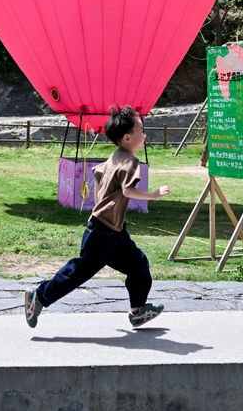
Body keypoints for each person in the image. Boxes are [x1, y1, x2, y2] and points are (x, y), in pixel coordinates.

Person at [24, 105, 170, 329]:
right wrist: (154, 194)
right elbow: (129, 190)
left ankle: (138, 310)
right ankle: (39, 296)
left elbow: (98, 173)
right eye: (141, 130)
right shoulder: (130, 162)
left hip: (114, 231)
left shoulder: (115, 157)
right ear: (128, 137)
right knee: (78, 272)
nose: (144, 135)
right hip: (102, 232)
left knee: (138, 264)